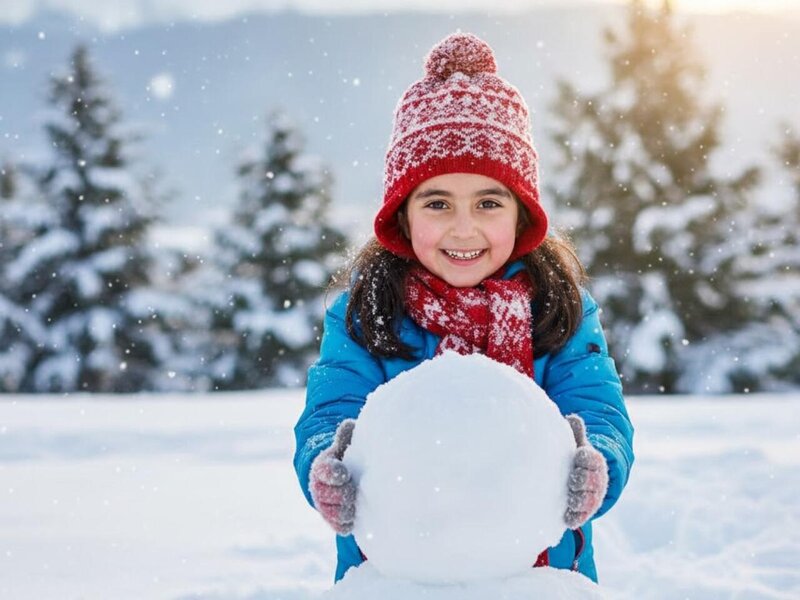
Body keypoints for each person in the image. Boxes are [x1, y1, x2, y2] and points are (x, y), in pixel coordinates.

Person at [293, 32, 634, 584]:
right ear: (402, 216)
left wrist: (594, 461)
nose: (464, 227)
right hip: (394, 576)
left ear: (522, 215)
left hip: (539, 576)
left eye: (489, 202)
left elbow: (598, 408)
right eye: (437, 202)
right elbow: (330, 411)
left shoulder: (558, 310)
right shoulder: (368, 313)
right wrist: (327, 464)